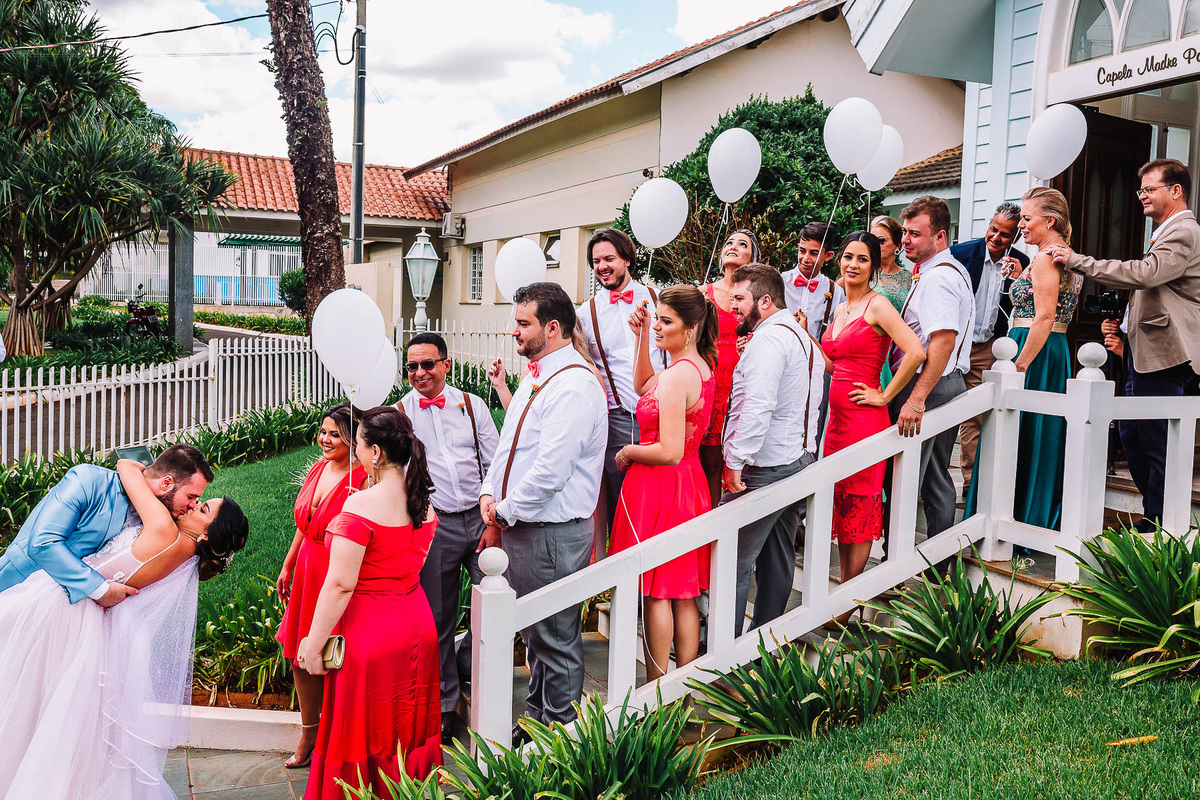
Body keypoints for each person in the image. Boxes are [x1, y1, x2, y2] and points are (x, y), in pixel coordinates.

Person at [0, 448, 248, 799]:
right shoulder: (182, 552)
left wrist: (133, 464)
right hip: (80, 607)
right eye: (195, 498)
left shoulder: (164, 530)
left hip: (64, 604)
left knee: (23, 692)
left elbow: (126, 467)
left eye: (202, 507)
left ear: (207, 534)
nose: (193, 505)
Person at [479, 282, 607, 744]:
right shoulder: (537, 374)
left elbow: (550, 472)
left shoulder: (573, 385)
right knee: (535, 637)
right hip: (522, 526)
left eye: (522, 323)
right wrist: (487, 494)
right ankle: (536, 722)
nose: (514, 332)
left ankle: (562, 736)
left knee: (555, 637)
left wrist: (502, 514)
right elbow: (509, 448)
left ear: (552, 328)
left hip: (551, 533)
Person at [1049, 158, 1200, 532]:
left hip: (1167, 356)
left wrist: (1079, 261)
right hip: (1144, 352)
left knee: (1156, 443)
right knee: (1133, 436)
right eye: (1141, 190)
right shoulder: (1164, 231)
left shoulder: (1184, 231)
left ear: (1175, 191)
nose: (1142, 197)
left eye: (1150, 189)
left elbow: (1147, 273)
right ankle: (1153, 516)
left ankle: (1163, 527)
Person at [301, 407, 442, 795]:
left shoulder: (360, 506)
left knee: (363, 728)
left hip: (370, 632)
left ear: (375, 452)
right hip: (417, 625)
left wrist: (313, 644)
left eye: (359, 443)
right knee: (405, 723)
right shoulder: (424, 504)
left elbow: (340, 585)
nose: (356, 451)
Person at [608, 285, 717, 682]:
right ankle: (683, 687)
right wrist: (641, 339)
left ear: (689, 329)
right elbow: (642, 387)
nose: (657, 325)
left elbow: (669, 449)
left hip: (662, 486)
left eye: (664, 321)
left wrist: (629, 452)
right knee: (681, 591)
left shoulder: (677, 378)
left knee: (657, 590)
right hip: (687, 484)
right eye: (657, 317)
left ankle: (659, 690)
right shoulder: (695, 368)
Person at [820, 232, 925, 627]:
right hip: (836, 425)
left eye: (862, 259)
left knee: (861, 505)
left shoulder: (878, 305)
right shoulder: (842, 307)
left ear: (873, 265)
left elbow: (915, 351)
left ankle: (847, 600)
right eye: (848, 257)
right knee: (844, 502)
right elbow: (834, 363)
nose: (853, 265)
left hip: (864, 422)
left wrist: (885, 396)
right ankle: (846, 594)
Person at [400, 331, 500, 744]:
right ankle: (444, 707)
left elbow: (496, 463)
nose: (420, 372)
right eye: (412, 366)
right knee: (438, 619)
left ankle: (466, 665)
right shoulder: (399, 415)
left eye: (428, 364)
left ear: (446, 364)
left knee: (489, 609)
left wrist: (493, 520)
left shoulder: (473, 406)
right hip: (434, 524)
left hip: (478, 520)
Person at [965, 188, 1081, 530]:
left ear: (1051, 221)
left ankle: (1016, 516)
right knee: (1037, 433)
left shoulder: (1046, 257)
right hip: (1054, 350)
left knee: (1020, 431)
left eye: (1027, 220)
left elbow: (1044, 316)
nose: (1022, 227)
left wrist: (1019, 366)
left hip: (1033, 349)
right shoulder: (1063, 254)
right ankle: (1033, 511)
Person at [722, 263, 824, 635]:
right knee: (779, 556)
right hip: (798, 458)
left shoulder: (768, 340)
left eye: (739, 298)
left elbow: (757, 406)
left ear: (764, 301)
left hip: (765, 466)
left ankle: (723, 652)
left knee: (731, 558)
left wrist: (735, 460)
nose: (732, 305)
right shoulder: (797, 333)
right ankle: (765, 643)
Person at [0, 444, 213, 605]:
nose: (193, 505)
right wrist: (101, 590)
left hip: (66, 611)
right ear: (166, 483)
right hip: (15, 585)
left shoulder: (160, 520)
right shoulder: (88, 480)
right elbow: (43, 543)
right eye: (191, 496)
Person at [275, 403, 368, 768]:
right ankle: (309, 733)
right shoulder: (319, 467)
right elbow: (304, 523)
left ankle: (338, 737)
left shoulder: (362, 479)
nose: (325, 440)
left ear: (353, 438)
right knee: (301, 653)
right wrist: (288, 563)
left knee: (335, 653)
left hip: (338, 572)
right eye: (323, 432)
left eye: (335, 434)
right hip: (308, 568)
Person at [885, 196, 976, 541]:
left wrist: (916, 398)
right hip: (947, 382)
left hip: (928, 385)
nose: (905, 239)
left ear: (940, 237)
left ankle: (895, 567)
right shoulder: (949, 271)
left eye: (915, 234)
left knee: (905, 479)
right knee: (936, 476)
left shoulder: (939, 279)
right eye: (905, 232)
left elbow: (942, 342)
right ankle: (941, 564)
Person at [576, 228, 666, 558]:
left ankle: (655, 565)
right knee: (620, 500)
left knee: (658, 498)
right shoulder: (587, 313)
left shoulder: (657, 300)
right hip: (618, 419)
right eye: (596, 261)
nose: (602, 266)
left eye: (609, 258)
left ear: (626, 259)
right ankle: (620, 574)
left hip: (661, 414)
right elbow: (582, 360)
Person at [950, 203, 1029, 488]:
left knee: (975, 414)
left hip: (989, 347)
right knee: (944, 410)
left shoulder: (1022, 263)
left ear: (1016, 237)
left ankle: (972, 483)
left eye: (1005, 235)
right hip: (954, 344)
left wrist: (1020, 278)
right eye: (993, 229)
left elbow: (1026, 308)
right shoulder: (960, 254)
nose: (996, 238)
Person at [700, 229, 759, 506]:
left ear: (753, 256)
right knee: (709, 464)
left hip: (743, 384)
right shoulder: (704, 293)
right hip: (710, 384)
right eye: (729, 242)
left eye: (742, 244)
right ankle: (711, 528)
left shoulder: (757, 298)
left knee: (739, 463)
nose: (733, 246)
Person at [782, 221, 846, 341]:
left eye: (814, 253)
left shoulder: (836, 292)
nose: (806, 259)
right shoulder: (780, 283)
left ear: (828, 255)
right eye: (802, 251)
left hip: (815, 357)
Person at [870, 216, 913, 314]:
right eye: (872, 240)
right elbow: (834, 291)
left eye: (881, 241)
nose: (876, 245)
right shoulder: (863, 272)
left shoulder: (910, 278)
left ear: (897, 244)